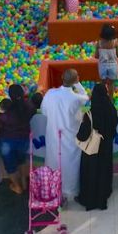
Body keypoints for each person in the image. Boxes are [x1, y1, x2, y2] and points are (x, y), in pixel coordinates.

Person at [42, 69, 89, 198]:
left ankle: (53, 187)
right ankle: (70, 190)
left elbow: (44, 111)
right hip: (70, 135)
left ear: (62, 77)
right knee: (71, 163)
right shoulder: (76, 98)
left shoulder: (50, 94)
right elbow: (86, 97)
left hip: (53, 134)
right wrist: (78, 84)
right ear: (75, 80)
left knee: (53, 160)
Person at [76, 82, 118, 211]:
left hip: (92, 151)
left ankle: (89, 199)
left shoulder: (90, 114)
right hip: (106, 148)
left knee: (91, 173)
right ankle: (103, 196)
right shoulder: (111, 109)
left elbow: (82, 136)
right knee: (103, 171)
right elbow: (115, 124)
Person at [0, 84, 33, 194]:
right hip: (24, 139)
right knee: (22, 160)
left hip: (8, 140)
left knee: (10, 165)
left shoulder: (7, 109)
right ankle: (24, 183)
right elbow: (33, 111)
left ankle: (17, 187)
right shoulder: (28, 106)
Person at [96, 23, 118, 94]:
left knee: (103, 82)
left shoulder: (99, 43)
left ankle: (103, 97)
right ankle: (111, 99)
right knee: (111, 84)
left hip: (103, 65)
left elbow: (96, 55)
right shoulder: (115, 42)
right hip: (113, 65)